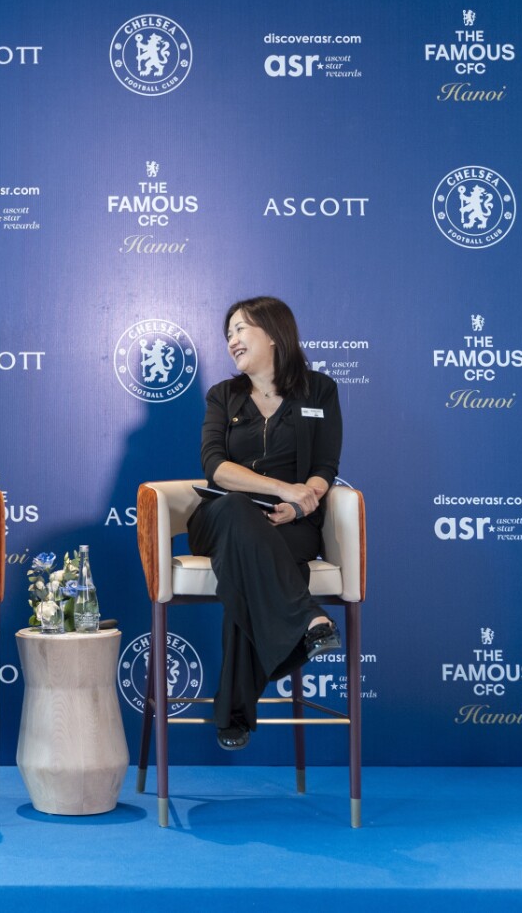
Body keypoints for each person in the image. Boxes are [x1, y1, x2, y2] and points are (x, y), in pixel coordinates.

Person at [189, 296, 343, 751]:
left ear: (274, 333)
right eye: (228, 334)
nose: (231, 340)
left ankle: (234, 713)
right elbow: (215, 467)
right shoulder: (223, 395)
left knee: (248, 570)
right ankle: (308, 619)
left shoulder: (320, 390)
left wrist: (301, 504)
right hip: (222, 516)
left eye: (240, 329)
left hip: (290, 522)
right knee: (240, 513)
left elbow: (325, 465)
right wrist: (283, 489)